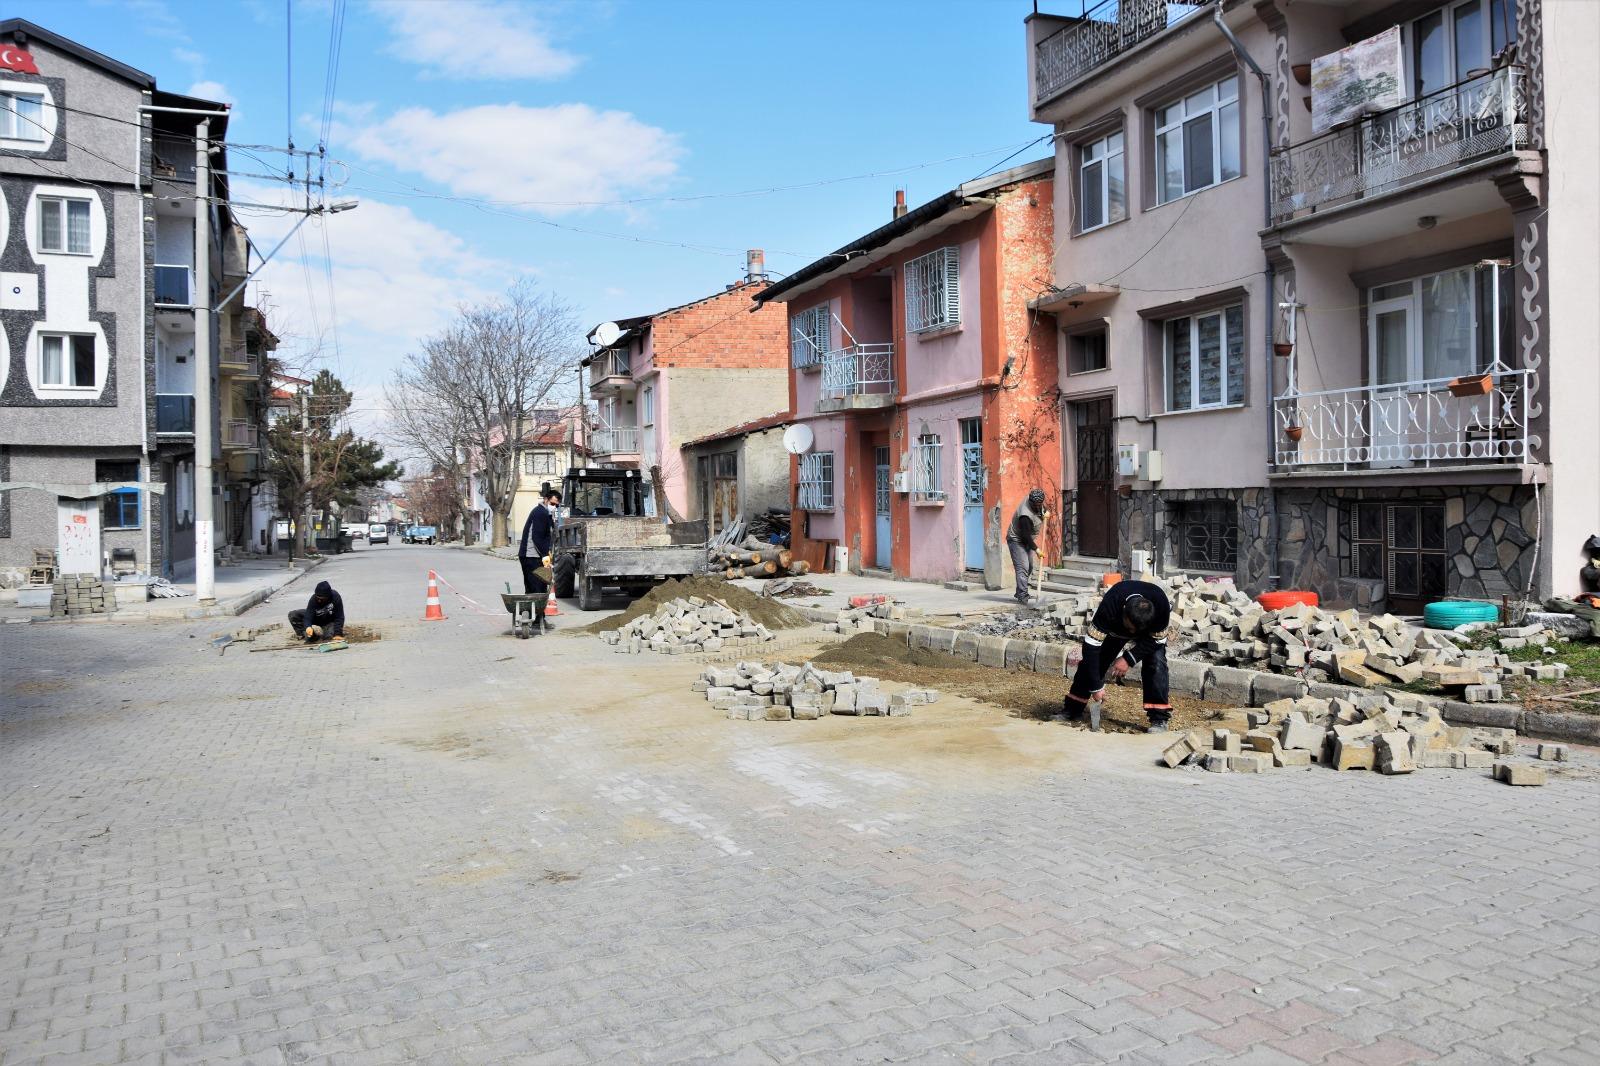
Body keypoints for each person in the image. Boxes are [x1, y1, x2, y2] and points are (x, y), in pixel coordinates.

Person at [1064, 578, 1173, 732]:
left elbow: (1158, 640)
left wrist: (1129, 658)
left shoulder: (1160, 605)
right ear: (1124, 612)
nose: (1132, 633)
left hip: (1149, 635)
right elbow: (1091, 647)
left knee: (1156, 663)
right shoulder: (1112, 603)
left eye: (1135, 630)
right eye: (1130, 628)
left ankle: (1159, 719)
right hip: (1117, 629)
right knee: (1096, 660)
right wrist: (1096, 686)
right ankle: (1072, 709)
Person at [1006, 488, 1048, 604]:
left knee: (1029, 567)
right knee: (1023, 567)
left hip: (1026, 540)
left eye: (1041, 504)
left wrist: (1045, 512)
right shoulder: (1025, 515)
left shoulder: (1037, 502)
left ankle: (1020, 591)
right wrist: (1037, 549)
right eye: (1037, 504)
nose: (1039, 506)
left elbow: (1041, 508)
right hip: (1017, 540)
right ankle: (1023, 596)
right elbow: (1026, 536)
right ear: (1031, 502)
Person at [517, 488, 561, 595]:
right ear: (546, 500)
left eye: (557, 505)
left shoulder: (546, 513)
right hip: (531, 556)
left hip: (535, 556)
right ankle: (537, 611)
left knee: (537, 587)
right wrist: (545, 555)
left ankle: (533, 611)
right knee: (537, 588)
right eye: (552, 503)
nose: (554, 507)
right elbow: (537, 538)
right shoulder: (540, 513)